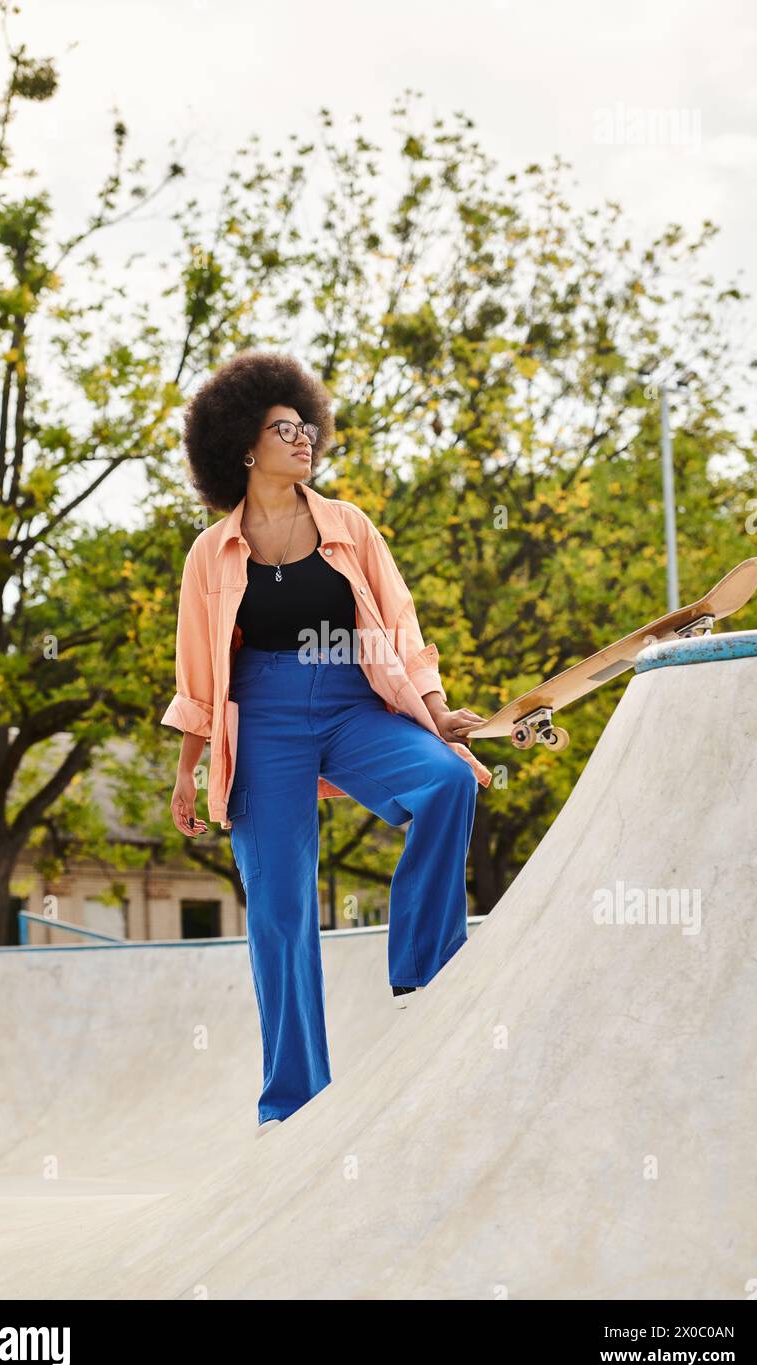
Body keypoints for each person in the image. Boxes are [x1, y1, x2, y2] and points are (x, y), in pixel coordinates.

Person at [162, 349, 491, 1136]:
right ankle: (295, 1102)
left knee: (447, 782)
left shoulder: (349, 525)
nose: (304, 439)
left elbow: (402, 626)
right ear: (246, 445)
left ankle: (422, 968)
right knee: (279, 908)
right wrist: (187, 772)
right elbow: (198, 673)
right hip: (263, 714)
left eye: (307, 426)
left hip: (352, 698)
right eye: (285, 429)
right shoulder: (211, 553)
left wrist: (437, 711)